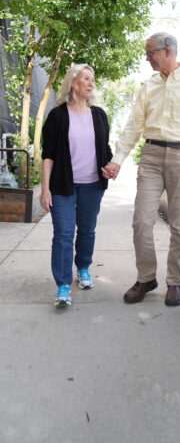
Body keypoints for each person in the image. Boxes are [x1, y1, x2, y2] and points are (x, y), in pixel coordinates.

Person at [102, 33, 180, 307]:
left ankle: (175, 282)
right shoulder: (148, 86)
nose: (147, 57)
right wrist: (118, 159)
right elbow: (133, 126)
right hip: (151, 155)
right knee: (141, 221)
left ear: (167, 51)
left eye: (150, 52)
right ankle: (146, 278)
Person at [40, 64, 113, 307]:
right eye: (85, 78)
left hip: (93, 185)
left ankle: (83, 267)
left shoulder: (99, 115)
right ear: (73, 83)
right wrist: (45, 189)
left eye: (92, 79)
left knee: (87, 230)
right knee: (63, 234)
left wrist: (109, 166)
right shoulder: (58, 115)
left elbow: (106, 150)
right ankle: (63, 284)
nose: (90, 83)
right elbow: (48, 154)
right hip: (63, 186)